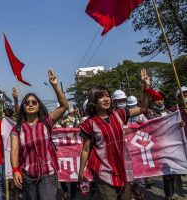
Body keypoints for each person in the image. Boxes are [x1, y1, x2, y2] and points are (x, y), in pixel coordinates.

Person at [78, 69, 151, 200]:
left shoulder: (120, 114)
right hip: (103, 172)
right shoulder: (89, 123)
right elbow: (85, 150)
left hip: (123, 168)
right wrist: (80, 173)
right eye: (101, 97)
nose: (106, 99)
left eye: (107, 95)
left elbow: (143, 108)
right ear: (93, 101)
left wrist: (146, 87)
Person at [10, 69, 69, 200]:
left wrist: (55, 85)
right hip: (27, 176)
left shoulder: (47, 122)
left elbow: (64, 106)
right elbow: (14, 151)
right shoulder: (17, 129)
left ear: (39, 106)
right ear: (23, 107)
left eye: (34, 102)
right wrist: (15, 170)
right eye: (27, 103)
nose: (30, 104)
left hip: (48, 174)